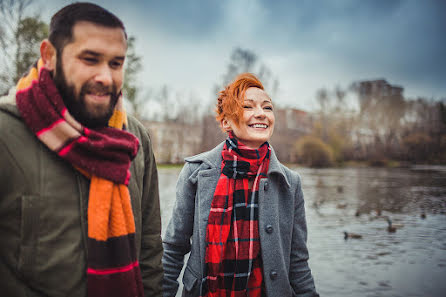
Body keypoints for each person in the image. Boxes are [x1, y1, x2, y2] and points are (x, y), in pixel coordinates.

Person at [0, 3, 163, 297]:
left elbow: (150, 249)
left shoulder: (136, 139)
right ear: (49, 56)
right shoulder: (5, 134)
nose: (105, 76)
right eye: (90, 59)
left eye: (116, 63)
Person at [162, 73, 319, 297]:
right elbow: (173, 248)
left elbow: (298, 263)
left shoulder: (289, 183)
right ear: (226, 121)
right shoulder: (195, 173)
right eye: (248, 106)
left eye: (267, 108)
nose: (261, 114)